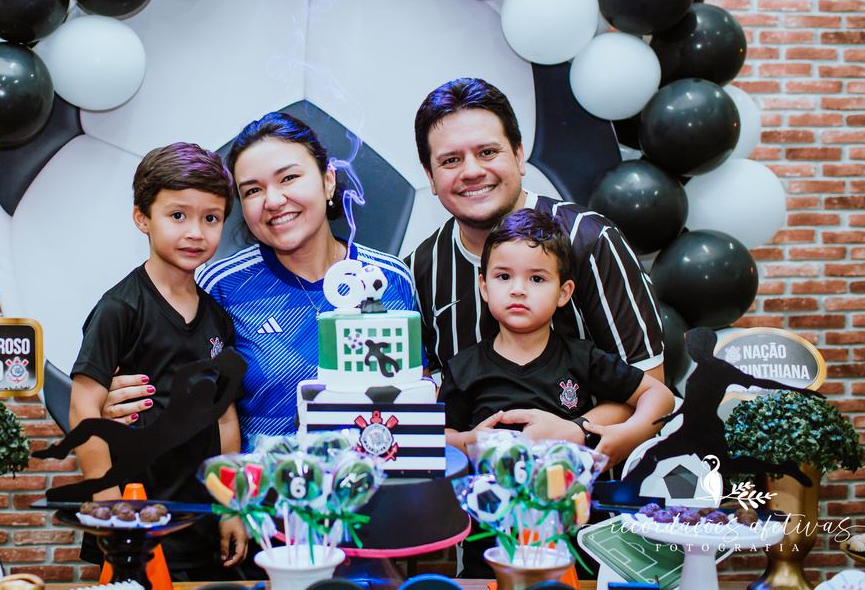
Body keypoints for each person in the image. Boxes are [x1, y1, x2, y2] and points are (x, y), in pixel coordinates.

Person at [408, 78, 665, 467]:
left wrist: (576, 430)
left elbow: (651, 389)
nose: (472, 171)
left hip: (589, 489)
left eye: (488, 151)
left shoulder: (589, 241)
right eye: (450, 160)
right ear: (430, 176)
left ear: (519, 155)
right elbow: (425, 408)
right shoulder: (420, 269)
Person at [69, 143, 246, 579]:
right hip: (134, 523)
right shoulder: (119, 309)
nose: (196, 232)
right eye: (177, 215)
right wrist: (112, 510)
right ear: (142, 218)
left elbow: (224, 420)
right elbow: (82, 411)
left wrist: (230, 507)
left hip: (200, 520)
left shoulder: (217, 318)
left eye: (211, 218)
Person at [198, 111, 421, 449]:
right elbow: (196, 402)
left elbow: (417, 392)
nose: (273, 201)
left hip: (379, 487)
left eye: (288, 178)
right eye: (253, 190)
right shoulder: (222, 286)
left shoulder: (389, 278)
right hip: (269, 493)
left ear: (327, 180)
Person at [440, 209, 674, 456]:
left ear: (564, 293)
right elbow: (439, 435)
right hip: (488, 493)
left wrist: (624, 436)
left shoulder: (582, 358)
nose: (518, 289)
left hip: (569, 491)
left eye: (537, 279)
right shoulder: (462, 369)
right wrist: (471, 440)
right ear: (484, 288)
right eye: (504, 276)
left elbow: (659, 395)